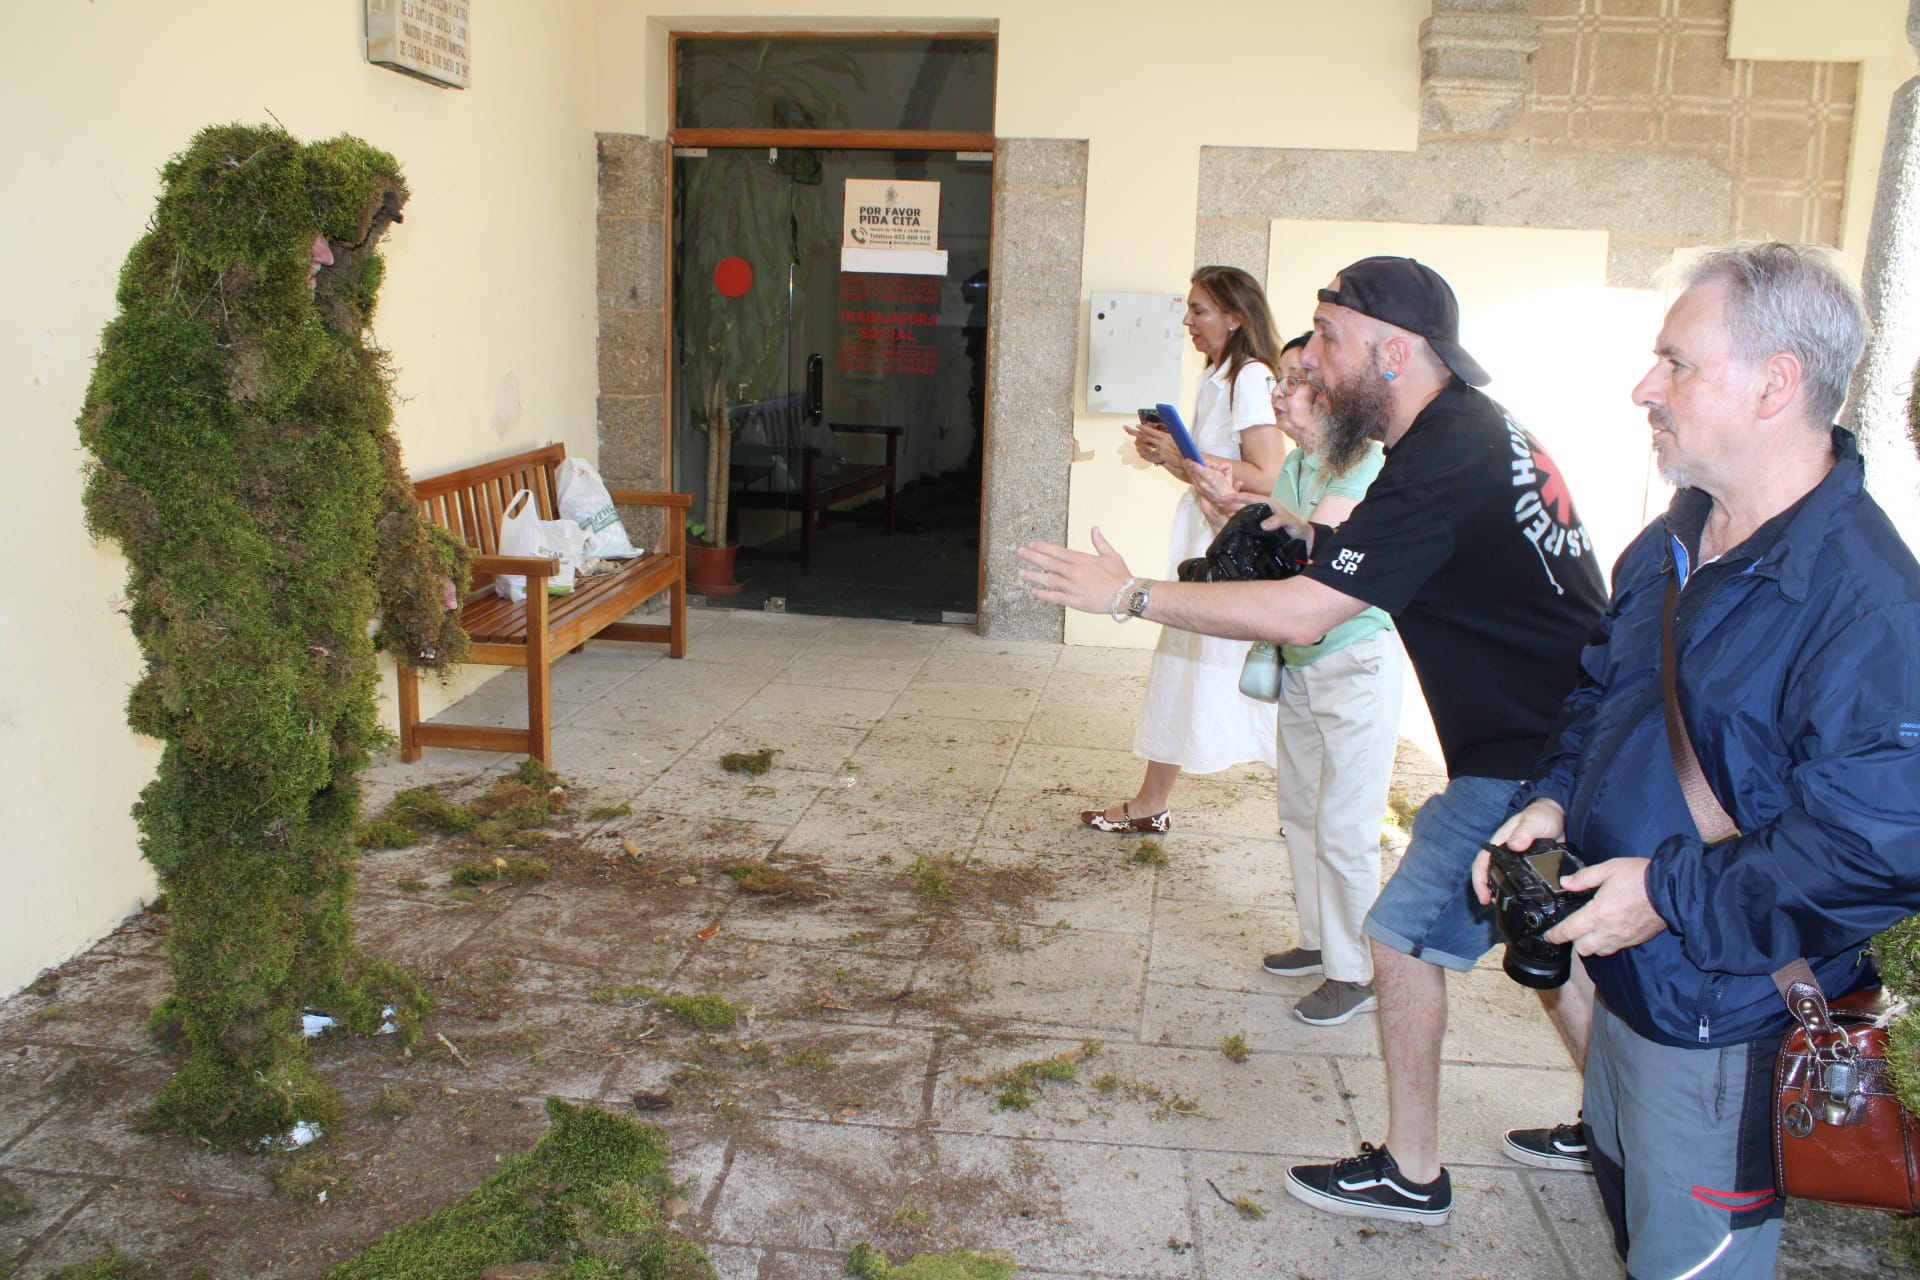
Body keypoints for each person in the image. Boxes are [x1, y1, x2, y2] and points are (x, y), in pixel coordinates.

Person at [1019, 256, 1607, 1224]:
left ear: (1394, 348)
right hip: (1566, 735)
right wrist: (1253, 516)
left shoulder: (1445, 455)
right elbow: (1340, 553)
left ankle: (1412, 1170)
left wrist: (1127, 595)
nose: (1314, 362)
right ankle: (1612, 1124)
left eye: (1328, 339)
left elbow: (1308, 612)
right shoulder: (1461, 435)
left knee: (1401, 937)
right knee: (1547, 935)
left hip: (1532, 752)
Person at [1468, 243, 1920, 1277]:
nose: (1644, 387)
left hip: (1726, 1021)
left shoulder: (1868, 604)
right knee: (1637, 1229)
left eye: (1676, 362)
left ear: (1775, 383)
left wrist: (1665, 894)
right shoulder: (1673, 539)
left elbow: (1876, 848)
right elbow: (1601, 699)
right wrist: (1548, 800)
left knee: (1691, 1260)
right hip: (1630, 989)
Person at [1192, 332, 1402, 1027]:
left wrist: (1253, 515)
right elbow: (1271, 534)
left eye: (1293, 381)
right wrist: (1227, 503)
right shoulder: (1305, 464)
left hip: (1355, 664)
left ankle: (1357, 971)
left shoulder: (1365, 467)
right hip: (1305, 664)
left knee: (1344, 824)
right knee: (1301, 812)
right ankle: (1319, 942)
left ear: (1333, 397)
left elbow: (1315, 546)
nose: (1280, 393)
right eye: (1282, 380)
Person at [1082, 265, 1286, 834]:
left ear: (1235, 316)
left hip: (1229, 549)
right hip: (1208, 536)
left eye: (1199, 309)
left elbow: (1268, 475)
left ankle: (1306, 805)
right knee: (1187, 669)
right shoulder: (1220, 376)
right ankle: (1152, 803)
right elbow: (1217, 476)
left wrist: (1182, 457)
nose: (1188, 320)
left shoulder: (1249, 378)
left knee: (1241, 675)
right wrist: (1173, 458)